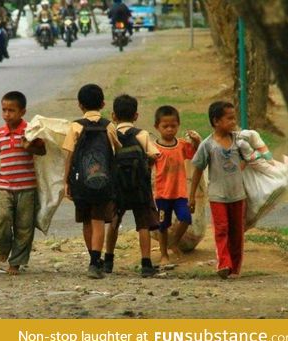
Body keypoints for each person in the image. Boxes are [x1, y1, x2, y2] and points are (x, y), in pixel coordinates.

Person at [0, 91, 45, 275]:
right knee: (2, 220)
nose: (6, 114)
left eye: (11, 110)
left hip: (27, 188)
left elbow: (43, 150)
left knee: (24, 226)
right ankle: (4, 248)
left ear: (22, 111)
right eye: (4, 110)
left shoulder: (30, 131)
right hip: (5, 187)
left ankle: (16, 262)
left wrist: (30, 146)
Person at [62, 84, 121, 279]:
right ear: (103, 103)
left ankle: (92, 259)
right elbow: (117, 150)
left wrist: (66, 180)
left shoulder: (76, 126)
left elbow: (69, 154)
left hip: (81, 182)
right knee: (98, 221)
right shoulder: (109, 126)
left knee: (86, 221)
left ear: (80, 105)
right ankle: (96, 261)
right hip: (103, 181)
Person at [104, 95, 160, 277]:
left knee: (114, 221)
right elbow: (155, 154)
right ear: (136, 116)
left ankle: (108, 261)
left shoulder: (110, 133)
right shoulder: (141, 134)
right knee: (143, 224)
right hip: (139, 187)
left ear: (113, 115)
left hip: (117, 187)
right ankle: (146, 263)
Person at [189, 101, 246, 279]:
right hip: (217, 196)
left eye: (234, 118)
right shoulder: (208, 145)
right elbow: (198, 169)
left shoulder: (240, 141)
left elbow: (250, 158)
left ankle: (235, 268)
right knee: (221, 230)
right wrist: (191, 197)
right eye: (229, 118)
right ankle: (224, 263)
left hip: (238, 195)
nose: (233, 121)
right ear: (216, 121)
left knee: (237, 232)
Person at [153, 105, 200, 265]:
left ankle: (174, 242)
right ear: (157, 127)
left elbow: (197, 156)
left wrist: (197, 142)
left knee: (186, 218)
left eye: (173, 126)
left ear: (178, 125)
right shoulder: (154, 148)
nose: (169, 129)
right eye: (165, 126)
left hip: (180, 193)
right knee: (162, 225)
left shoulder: (181, 145)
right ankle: (164, 253)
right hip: (162, 195)